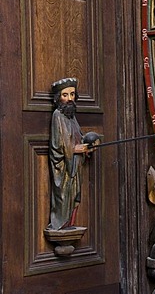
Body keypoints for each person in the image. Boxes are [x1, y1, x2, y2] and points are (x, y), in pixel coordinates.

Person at [48, 77, 94, 230]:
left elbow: (78, 136)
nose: (69, 99)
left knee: (75, 195)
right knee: (63, 196)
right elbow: (58, 145)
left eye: (72, 94)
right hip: (64, 167)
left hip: (75, 165)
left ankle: (71, 224)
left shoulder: (71, 116)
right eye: (65, 95)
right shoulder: (57, 116)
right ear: (58, 98)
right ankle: (61, 224)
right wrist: (75, 149)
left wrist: (88, 145)